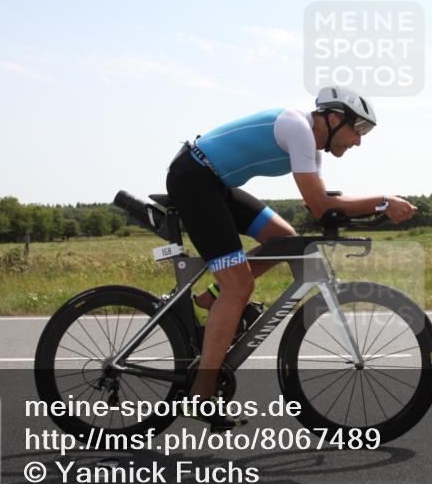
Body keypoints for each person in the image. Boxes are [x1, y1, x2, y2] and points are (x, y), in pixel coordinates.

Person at [165, 86, 417, 428]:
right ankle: (202, 394)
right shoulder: (299, 129)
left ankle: (213, 298)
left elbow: (320, 206)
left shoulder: (312, 150)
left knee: (284, 239)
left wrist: (358, 210)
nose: (359, 141)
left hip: (214, 182)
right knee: (239, 287)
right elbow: (319, 205)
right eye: (357, 130)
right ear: (332, 118)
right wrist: (383, 201)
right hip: (194, 179)